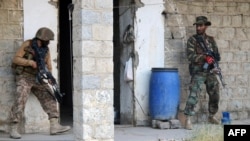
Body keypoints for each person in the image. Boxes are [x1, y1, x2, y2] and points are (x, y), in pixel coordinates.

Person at [9, 27, 71, 139]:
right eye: (48, 40)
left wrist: (50, 77)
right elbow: (16, 59)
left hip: (38, 78)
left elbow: (49, 66)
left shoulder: (46, 50)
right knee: (20, 98)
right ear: (42, 38)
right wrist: (29, 62)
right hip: (24, 77)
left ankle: (54, 126)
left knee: (50, 96)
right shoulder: (27, 45)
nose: (49, 42)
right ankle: (14, 127)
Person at [184, 16, 221, 130]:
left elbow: (217, 55)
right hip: (198, 71)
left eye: (201, 25)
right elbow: (190, 56)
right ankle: (188, 119)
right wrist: (204, 57)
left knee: (215, 93)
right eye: (197, 26)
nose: (198, 28)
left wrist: (213, 61)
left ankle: (211, 116)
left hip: (210, 71)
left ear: (206, 26)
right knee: (194, 94)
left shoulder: (211, 40)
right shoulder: (192, 40)